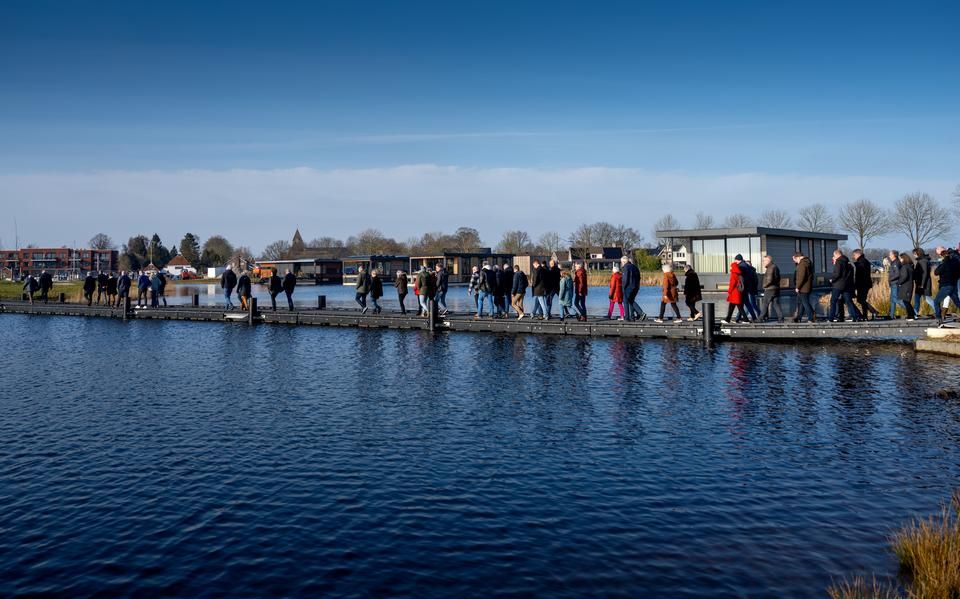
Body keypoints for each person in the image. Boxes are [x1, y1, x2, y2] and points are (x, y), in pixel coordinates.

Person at [828, 249, 862, 322]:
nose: (833, 257)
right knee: (848, 301)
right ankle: (855, 317)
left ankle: (831, 318)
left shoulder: (839, 262)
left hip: (838, 285)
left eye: (834, 255)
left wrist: (832, 279)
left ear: (837, 254)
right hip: (846, 285)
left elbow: (837, 274)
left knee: (833, 301)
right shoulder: (848, 262)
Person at [933, 246, 960, 327]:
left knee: (936, 301)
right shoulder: (955, 262)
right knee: (957, 302)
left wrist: (941, 263)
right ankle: (940, 317)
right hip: (953, 285)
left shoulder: (944, 264)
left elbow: (936, 272)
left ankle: (938, 318)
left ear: (942, 256)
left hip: (946, 285)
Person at [851, 249, 880, 320]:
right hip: (864, 284)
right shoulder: (862, 261)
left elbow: (861, 269)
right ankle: (868, 313)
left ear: (858, 254)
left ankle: (870, 312)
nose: (853, 256)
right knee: (861, 300)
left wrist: (853, 265)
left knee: (861, 300)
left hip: (863, 284)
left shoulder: (862, 261)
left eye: (854, 255)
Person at [758, 255, 784, 323]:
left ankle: (760, 318)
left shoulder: (771, 268)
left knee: (765, 303)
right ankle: (781, 318)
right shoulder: (774, 267)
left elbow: (769, 280)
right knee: (776, 304)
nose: (763, 262)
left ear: (768, 260)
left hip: (770, 289)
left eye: (764, 260)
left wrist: (764, 286)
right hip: (775, 288)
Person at [792, 252, 816, 323]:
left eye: (795, 260)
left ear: (798, 257)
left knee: (805, 303)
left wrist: (797, 287)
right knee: (802, 303)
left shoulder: (802, 264)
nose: (795, 262)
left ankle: (811, 317)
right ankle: (799, 317)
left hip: (803, 287)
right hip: (807, 286)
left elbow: (801, 277)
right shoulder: (808, 262)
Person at [620, 256, 645, 321]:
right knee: (631, 300)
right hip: (636, 286)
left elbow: (625, 279)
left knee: (626, 301)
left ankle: (628, 317)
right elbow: (639, 277)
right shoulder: (635, 267)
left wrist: (623, 287)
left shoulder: (626, 267)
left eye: (621, 262)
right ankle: (632, 317)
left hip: (629, 286)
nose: (621, 263)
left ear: (624, 262)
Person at [912, 248, 935, 317]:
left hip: (923, 284)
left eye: (914, 254)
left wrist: (922, 284)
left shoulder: (923, 261)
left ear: (918, 254)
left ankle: (938, 310)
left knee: (927, 299)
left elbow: (924, 273)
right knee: (917, 299)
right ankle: (915, 314)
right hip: (920, 283)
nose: (914, 255)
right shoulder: (922, 261)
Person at [723, 259, 748, 324]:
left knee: (739, 307)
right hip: (737, 293)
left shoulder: (733, 273)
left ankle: (746, 320)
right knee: (732, 307)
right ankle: (727, 319)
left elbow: (732, 283)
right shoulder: (739, 273)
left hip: (734, 293)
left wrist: (729, 291)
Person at [887, 250, 907, 319]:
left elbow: (897, 274)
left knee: (896, 299)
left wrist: (890, 279)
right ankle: (891, 315)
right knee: (892, 300)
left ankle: (910, 311)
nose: (889, 255)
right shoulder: (893, 263)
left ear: (894, 255)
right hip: (893, 284)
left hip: (895, 283)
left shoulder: (896, 263)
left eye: (890, 254)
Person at [896, 253, 916, 320]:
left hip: (906, 286)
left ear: (904, 258)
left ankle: (911, 316)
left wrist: (899, 282)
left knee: (906, 301)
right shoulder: (909, 266)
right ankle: (911, 315)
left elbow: (904, 276)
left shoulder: (905, 267)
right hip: (909, 285)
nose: (900, 260)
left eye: (900, 258)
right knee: (906, 301)